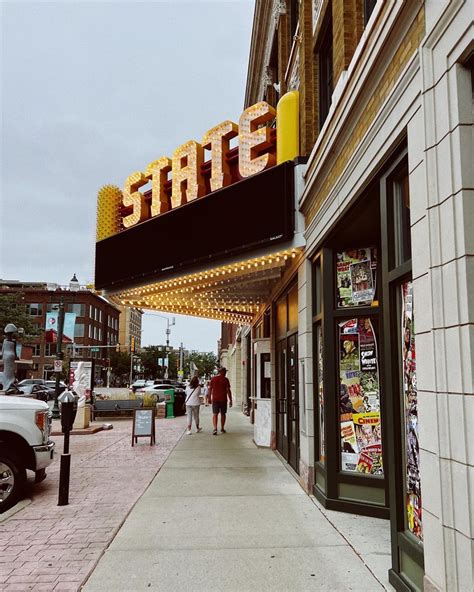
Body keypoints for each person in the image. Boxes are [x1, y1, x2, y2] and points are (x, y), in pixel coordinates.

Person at [208, 367, 232, 435]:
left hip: (215, 399)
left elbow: (210, 389)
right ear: (223, 372)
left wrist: (209, 398)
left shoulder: (213, 379)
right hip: (223, 399)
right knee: (223, 414)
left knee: (215, 414)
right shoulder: (225, 380)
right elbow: (228, 390)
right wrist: (230, 400)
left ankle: (215, 428)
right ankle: (222, 428)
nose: (226, 373)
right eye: (225, 372)